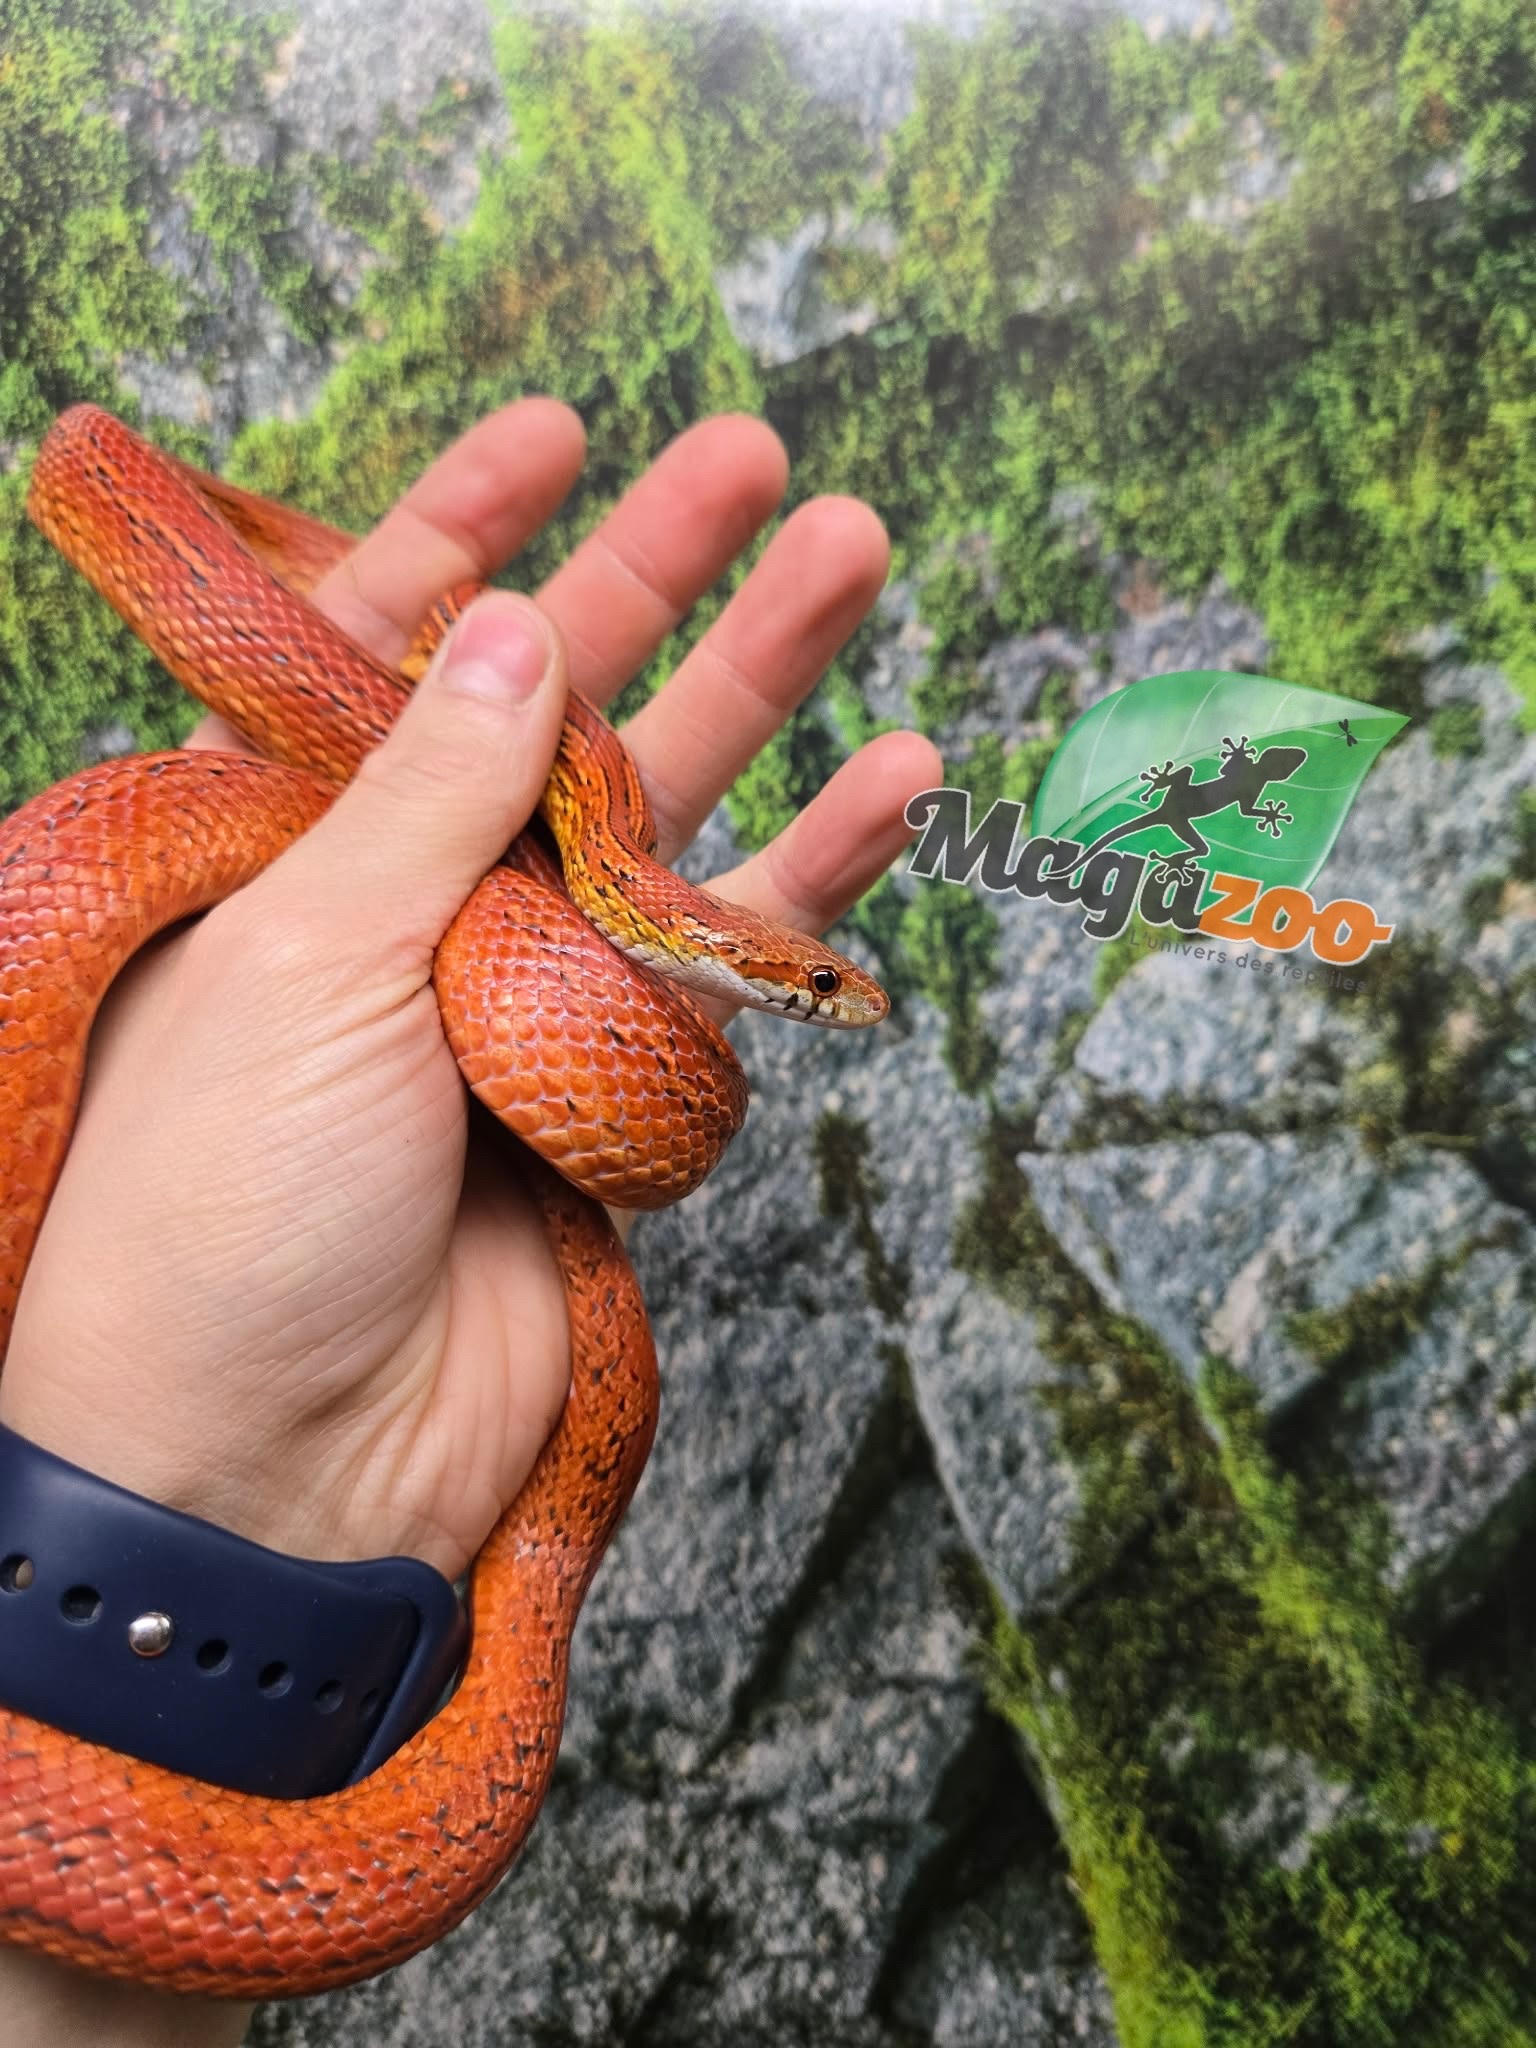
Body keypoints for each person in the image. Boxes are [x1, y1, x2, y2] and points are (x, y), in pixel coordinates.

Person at [0, 398, 941, 2045]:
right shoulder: (600, 874)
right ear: (751, 964)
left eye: (816, 988)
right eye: (809, 986)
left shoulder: (588, 891)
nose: (822, 1001)